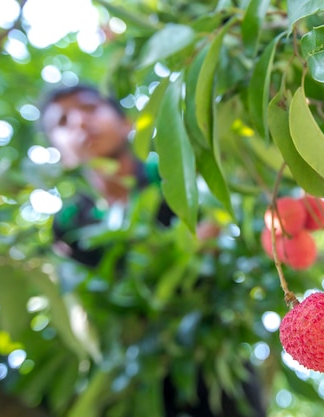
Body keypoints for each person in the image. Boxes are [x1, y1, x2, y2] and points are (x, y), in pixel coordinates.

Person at [40, 84, 266, 417]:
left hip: (216, 356)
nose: (79, 123)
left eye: (89, 108)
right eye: (62, 122)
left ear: (127, 122)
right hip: (139, 379)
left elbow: (220, 229)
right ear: (61, 154)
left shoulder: (173, 173)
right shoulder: (69, 224)